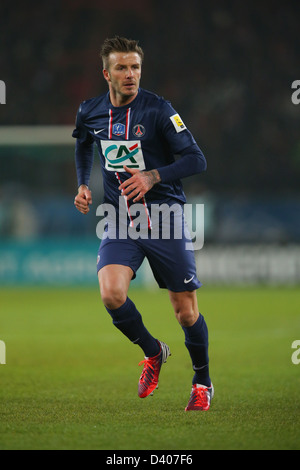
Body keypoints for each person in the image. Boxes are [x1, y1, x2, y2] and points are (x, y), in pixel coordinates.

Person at [73, 36, 213, 411]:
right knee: (111, 294)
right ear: (107, 73)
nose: (130, 74)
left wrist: (153, 177)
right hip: (121, 218)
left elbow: (196, 160)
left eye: (135, 66)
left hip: (165, 217)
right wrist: (84, 183)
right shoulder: (90, 111)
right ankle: (154, 352)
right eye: (122, 67)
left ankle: (202, 380)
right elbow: (84, 143)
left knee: (186, 312)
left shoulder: (159, 110)